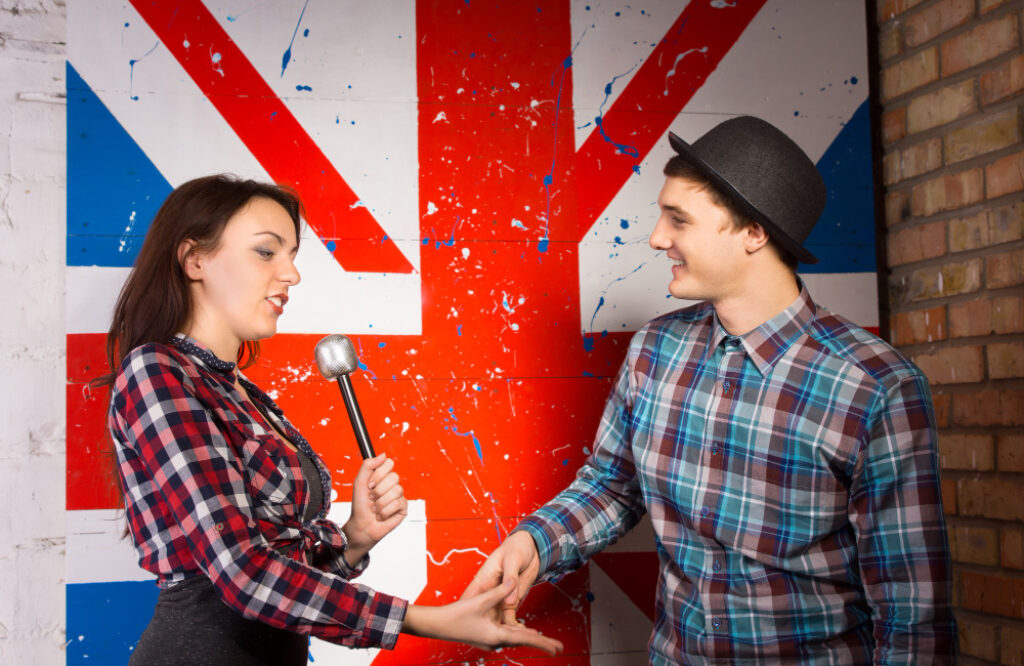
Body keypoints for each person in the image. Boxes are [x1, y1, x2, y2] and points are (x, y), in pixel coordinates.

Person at [464, 117, 956, 663]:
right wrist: (534, 541)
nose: (657, 237)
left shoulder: (876, 389)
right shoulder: (655, 350)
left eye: (679, 219)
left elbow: (911, 613)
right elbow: (614, 485)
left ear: (754, 232)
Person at [99, 174, 562, 664]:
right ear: (195, 259)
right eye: (266, 252)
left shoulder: (243, 393)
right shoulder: (156, 371)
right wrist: (432, 619)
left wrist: (357, 537)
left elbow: (282, 580)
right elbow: (242, 574)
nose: (291, 274)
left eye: (292, 256)